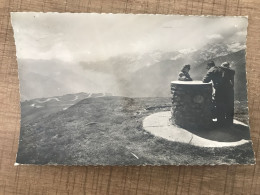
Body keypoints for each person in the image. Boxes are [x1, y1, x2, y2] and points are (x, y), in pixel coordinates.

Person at [202, 61, 235, 126]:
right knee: (229, 106)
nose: (207, 69)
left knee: (220, 106)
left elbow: (205, 80)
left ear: (209, 66)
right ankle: (229, 123)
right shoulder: (229, 71)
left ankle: (220, 123)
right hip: (230, 90)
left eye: (207, 67)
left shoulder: (212, 70)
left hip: (220, 90)